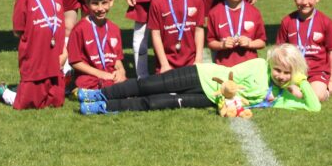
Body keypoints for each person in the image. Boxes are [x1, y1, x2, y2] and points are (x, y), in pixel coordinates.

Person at [75, 44, 319, 114]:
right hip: (201, 75)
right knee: (146, 85)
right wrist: (229, 96)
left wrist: (301, 81)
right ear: (271, 64)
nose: (280, 76)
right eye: (278, 70)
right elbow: (230, 80)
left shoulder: (280, 97)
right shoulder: (258, 66)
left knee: (156, 103)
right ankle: (100, 94)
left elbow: (313, 107)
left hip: (208, 98)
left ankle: (102, 107)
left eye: (287, 73)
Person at [0, 0, 66, 110]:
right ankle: (3, 92)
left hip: (53, 58)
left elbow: (61, 29)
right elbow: (18, 31)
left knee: (56, 101)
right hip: (34, 59)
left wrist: (64, 52)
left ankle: (23, 90)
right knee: (28, 103)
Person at [275, 0, 332, 102]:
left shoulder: (325, 22)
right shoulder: (287, 21)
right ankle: (300, 92)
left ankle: (324, 92)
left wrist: (331, 80)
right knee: (290, 93)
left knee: (317, 96)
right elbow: (279, 50)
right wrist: (281, 74)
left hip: (317, 72)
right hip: (293, 71)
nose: (305, 2)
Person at [148, 0, 205, 74]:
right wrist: (164, 64)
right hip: (167, 65)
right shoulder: (157, 2)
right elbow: (155, 34)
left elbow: (199, 31)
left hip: (191, 63)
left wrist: (198, 59)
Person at [67, 0, 126, 91]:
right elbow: (75, 62)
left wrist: (121, 71)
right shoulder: (79, 29)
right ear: (87, 3)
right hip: (89, 78)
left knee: (130, 89)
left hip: (110, 76)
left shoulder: (114, 29)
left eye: (104, 3)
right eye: (95, 4)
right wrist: (101, 74)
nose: (100, 8)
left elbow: (117, 59)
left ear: (111, 1)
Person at [205, 0, 266, 67]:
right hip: (224, 67)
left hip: (249, 67)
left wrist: (250, 43)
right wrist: (222, 45)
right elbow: (210, 42)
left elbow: (262, 42)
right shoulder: (214, 13)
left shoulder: (254, 12)